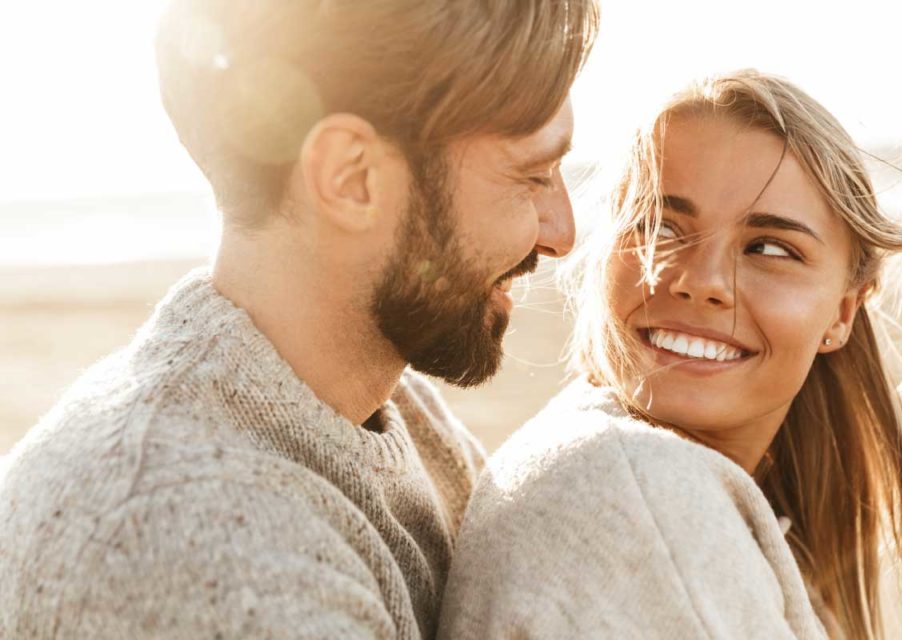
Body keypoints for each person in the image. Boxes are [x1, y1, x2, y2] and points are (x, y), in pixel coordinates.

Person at [0, 1, 599, 637]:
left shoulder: (390, 406)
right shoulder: (195, 550)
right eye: (532, 175)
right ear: (351, 177)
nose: (562, 233)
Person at [438, 70, 902, 640]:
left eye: (767, 248)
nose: (702, 282)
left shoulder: (639, 469)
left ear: (841, 314)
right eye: (662, 227)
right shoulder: (638, 486)